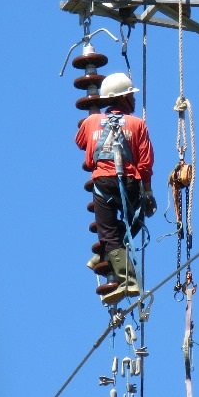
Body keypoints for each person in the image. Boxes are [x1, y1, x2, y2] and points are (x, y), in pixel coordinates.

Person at [75, 72, 155, 305]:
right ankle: (126, 276)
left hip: (103, 183)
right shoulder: (137, 124)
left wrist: (96, 125)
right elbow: (145, 162)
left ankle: (115, 264)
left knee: (108, 233)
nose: (134, 99)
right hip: (130, 182)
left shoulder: (91, 122)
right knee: (135, 221)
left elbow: (80, 142)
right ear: (123, 99)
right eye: (131, 95)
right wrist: (147, 192)